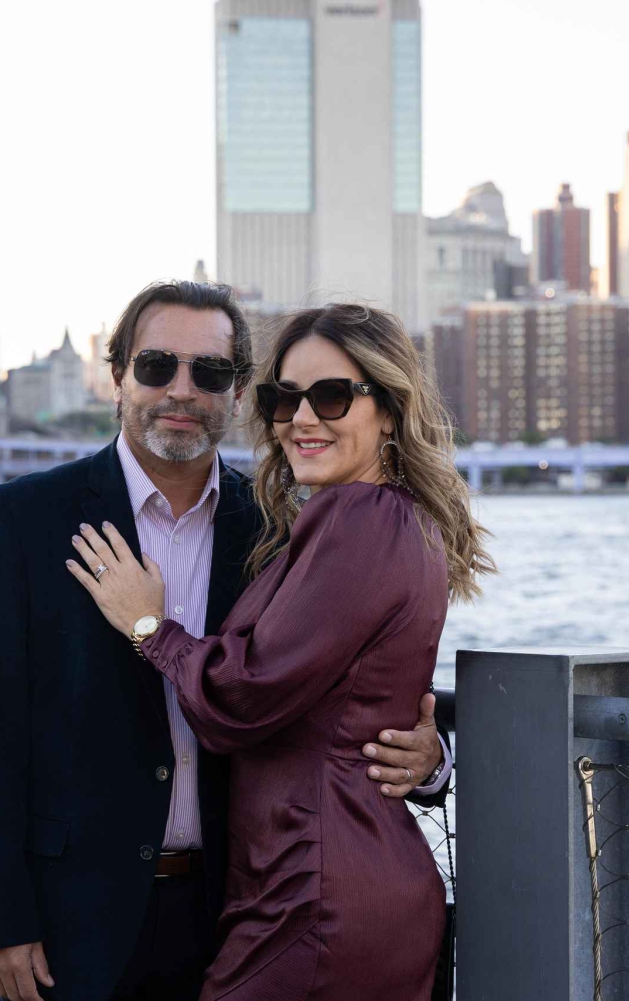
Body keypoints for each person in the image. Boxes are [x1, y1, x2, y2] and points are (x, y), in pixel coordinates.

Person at [0, 282, 453, 1001]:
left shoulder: (279, 527)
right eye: (157, 366)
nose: (181, 390)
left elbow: (356, 687)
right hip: (71, 923)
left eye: (209, 372)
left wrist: (431, 759)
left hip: (236, 909)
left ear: (237, 392)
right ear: (117, 376)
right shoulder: (23, 520)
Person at [66, 302, 494, 1000]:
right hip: (329, 880)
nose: (302, 417)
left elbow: (243, 698)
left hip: (315, 897)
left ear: (389, 410)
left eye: (332, 396)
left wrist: (150, 628)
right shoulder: (379, 519)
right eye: (284, 398)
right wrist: (430, 759)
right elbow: (359, 697)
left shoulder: (358, 520)